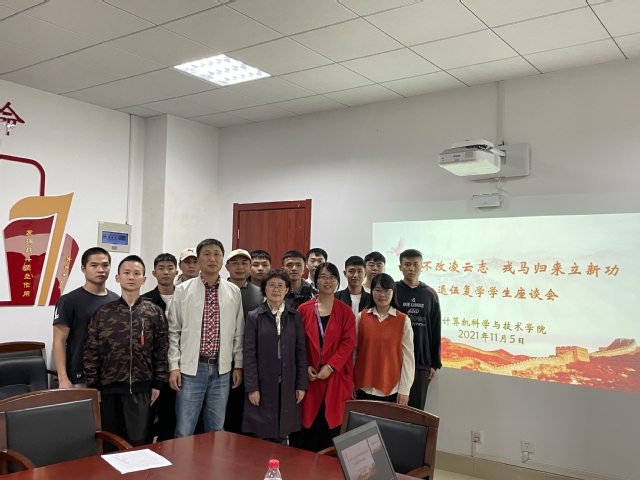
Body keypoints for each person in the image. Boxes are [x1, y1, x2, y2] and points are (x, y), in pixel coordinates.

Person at [84, 255, 168, 448]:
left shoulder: (154, 313)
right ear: (117, 277)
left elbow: (161, 350)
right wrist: (93, 385)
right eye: (126, 273)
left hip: (141, 388)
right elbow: (91, 351)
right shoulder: (104, 313)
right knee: (110, 441)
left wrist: (157, 383)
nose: (131, 277)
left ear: (144, 279)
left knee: (138, 441)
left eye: (136, 273)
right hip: (109, 389)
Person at [168, 239, 244, 437]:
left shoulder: (233, 291)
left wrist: (238, 365)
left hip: (222, 370)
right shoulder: (183, 290)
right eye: (207, 254)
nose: (212, 258)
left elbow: (238, 332)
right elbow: (173, 331)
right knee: (184, 430)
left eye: (217, 254)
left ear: (222, 260)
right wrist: (173, 366)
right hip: (191, 370)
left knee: (216, 430)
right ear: (199, 259)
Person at [242, 269, 307, 443]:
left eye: (280, 286)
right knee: (261, 433)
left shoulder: (294, 316)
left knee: (283, 431)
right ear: (264, 289)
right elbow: (249, 355)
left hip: (288, 382)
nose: (276, 289)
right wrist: (252, 388)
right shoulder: (254, 316)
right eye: (271, 285)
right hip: (263, 383)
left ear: (287, 290)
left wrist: (301, 385)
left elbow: (300, 352)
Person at [298, 262, 356, 452]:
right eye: (323, 277)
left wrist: (331, 367)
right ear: (315, 281)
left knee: (333, 427)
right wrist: (306, 365)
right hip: (311, 377)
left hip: (336, 376)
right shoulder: (304, 309)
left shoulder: (345, 311)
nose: (327, 281)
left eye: (332, 277)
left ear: (338, 281)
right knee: (310, 428)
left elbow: (349, 342)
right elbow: (298, 343)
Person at [52, 247, 119, 388]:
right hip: (80, 377)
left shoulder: (116, 300)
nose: (101, 270)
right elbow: (59, 341)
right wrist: (63, 378)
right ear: (83, 269)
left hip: (110, 376)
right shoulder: (69, 301)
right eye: (94, 265)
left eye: (105, 265)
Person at [353, 273, 414, 405]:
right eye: (378, 290)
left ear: (393, 292)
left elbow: (408, 357)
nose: (382, 295)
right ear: (372, 292)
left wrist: (405, 390)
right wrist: (351, 382)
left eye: (386, 290)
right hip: (362, 386)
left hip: (391, 389)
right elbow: (354, 351)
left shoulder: (403, 320)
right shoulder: (361, 317)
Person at [396, 249, 441, 410]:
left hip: (421, 362)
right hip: (395, 360)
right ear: (400, 267)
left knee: (415, 412)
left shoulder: (430, 294)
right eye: (407, 264)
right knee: (392, 412)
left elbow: (435, 329)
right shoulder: (392, 290)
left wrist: (434, 363)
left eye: (416, 264)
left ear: (422, 267)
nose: (411, 268)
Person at [224, 248, 263, 434]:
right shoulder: (219, 290)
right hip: (223, 357)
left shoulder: (260, 293)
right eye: (235, 263)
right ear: (227, 267)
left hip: (251, 358)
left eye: (244, 263)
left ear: (250, 267)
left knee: (247, 405)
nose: (239, 267)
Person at [141, 253, 178, 443]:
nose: (166, 272)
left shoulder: (185, 298)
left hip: (178, 368)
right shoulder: (144, 301)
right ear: (154, 272)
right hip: (152, 369)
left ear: (176, 271)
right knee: (147, 419)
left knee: (170, 418)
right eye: (161, 268)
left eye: (170, 268)